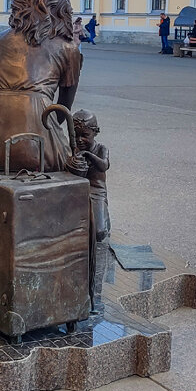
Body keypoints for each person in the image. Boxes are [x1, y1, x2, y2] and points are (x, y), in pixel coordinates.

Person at [0, 0, 82, 172]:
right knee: (76, 167)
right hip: (34, 138)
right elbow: (64, 107)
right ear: (57, 7)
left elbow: (1, 85)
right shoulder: (67, 48)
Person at [72, 109, 111, 313]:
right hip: (78, 189)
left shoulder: (100, 148)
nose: (79, 140)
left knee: (98, 232)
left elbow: (104, 166)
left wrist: (87, 154)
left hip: (95, 191)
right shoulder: (72, 147)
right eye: (75, 134)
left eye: (84, 135)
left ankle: (104, 218)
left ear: (95, 132)